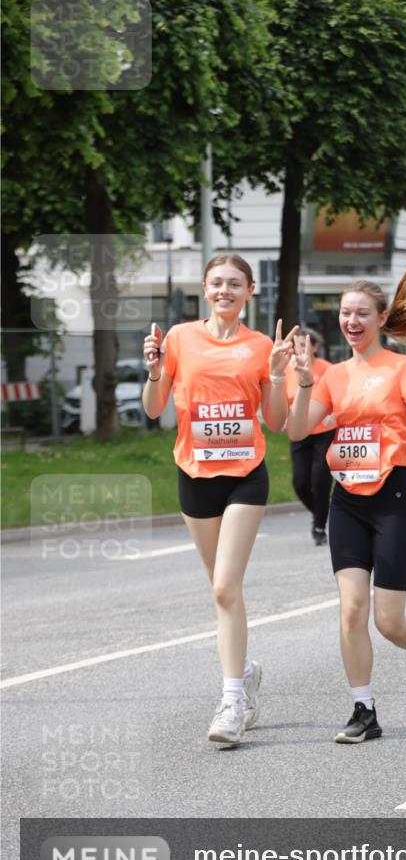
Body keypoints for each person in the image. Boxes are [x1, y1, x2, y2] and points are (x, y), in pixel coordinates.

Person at [287, 266, 406, 744]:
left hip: (394, 501)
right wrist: (301, 385)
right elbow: (298, 431)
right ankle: (364, 709)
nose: (352, 320)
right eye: (345, 313)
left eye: (362, 313)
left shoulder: (402, 367)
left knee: (389, 621)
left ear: (381, 318)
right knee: (351, 609)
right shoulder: (333, 376)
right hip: (348, 504)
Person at [142, 254, 297, 748]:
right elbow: (153, 408)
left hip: (245, 477)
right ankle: (246, 672)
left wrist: (275, 375)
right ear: (204, 290)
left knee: (226, 588)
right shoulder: (180, 339)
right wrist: (154, 370)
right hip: (194, 475)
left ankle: (231, 701)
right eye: (216, 283)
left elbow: (275, 423)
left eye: (234, 284)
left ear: (250, 291)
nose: (224, 290)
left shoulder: (260, 347)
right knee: (221, 591)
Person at [285, 328, 336, 545]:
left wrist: (332, 414)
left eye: (304, 345)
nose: (300, 350)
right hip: (300, 432)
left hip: (325, 431)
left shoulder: (328, 369)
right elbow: (283, 397)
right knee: (300, 482)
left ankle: (319, 526)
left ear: (315, 347)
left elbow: (339, 395)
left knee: (320, 480)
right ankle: (323, 512)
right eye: (296, 345)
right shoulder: (289, 369)